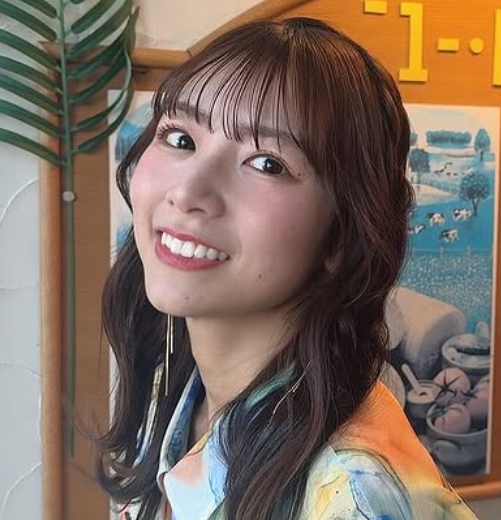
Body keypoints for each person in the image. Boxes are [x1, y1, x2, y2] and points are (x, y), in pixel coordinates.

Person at [97, 17, 479, 520]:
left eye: (267, 164)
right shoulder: (174, 391)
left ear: (342, 234)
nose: (187, 192)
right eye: (180, 138)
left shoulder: (352, 499)